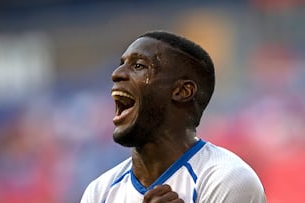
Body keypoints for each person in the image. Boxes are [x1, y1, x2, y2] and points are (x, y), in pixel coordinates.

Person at [80, 30, 266, 203]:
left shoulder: (226, 179)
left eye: (138, 66)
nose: (116, 74)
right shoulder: (99, 192)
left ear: (183, 91)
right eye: (121, 65)